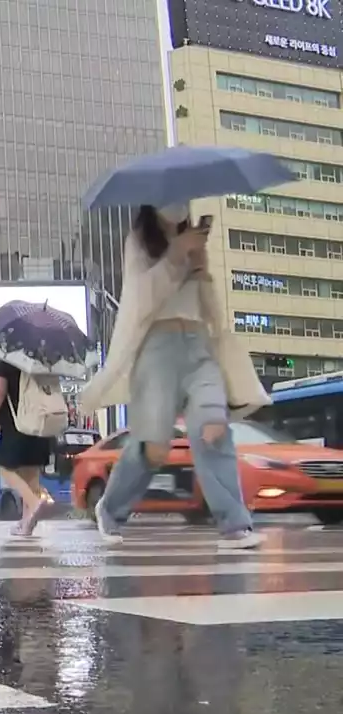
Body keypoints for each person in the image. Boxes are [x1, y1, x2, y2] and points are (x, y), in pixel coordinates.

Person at [80, 204, 267, 549]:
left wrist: (202, 270)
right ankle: (110, 507)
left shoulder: (191, 238)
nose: (179, 206)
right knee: (154, 448)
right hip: (157, 350)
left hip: (198, 347)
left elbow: (211, 311)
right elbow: (139, 299)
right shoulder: (139, 242)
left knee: (213, 427)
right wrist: (175, 256)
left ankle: (234, 525)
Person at [0, 357, 55, 536]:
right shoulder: (44, 357)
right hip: (40, 419)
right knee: (31, 473)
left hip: (17, 421)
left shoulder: (8, 356)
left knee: (6, 469)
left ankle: (34, 503)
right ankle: (26, 522)